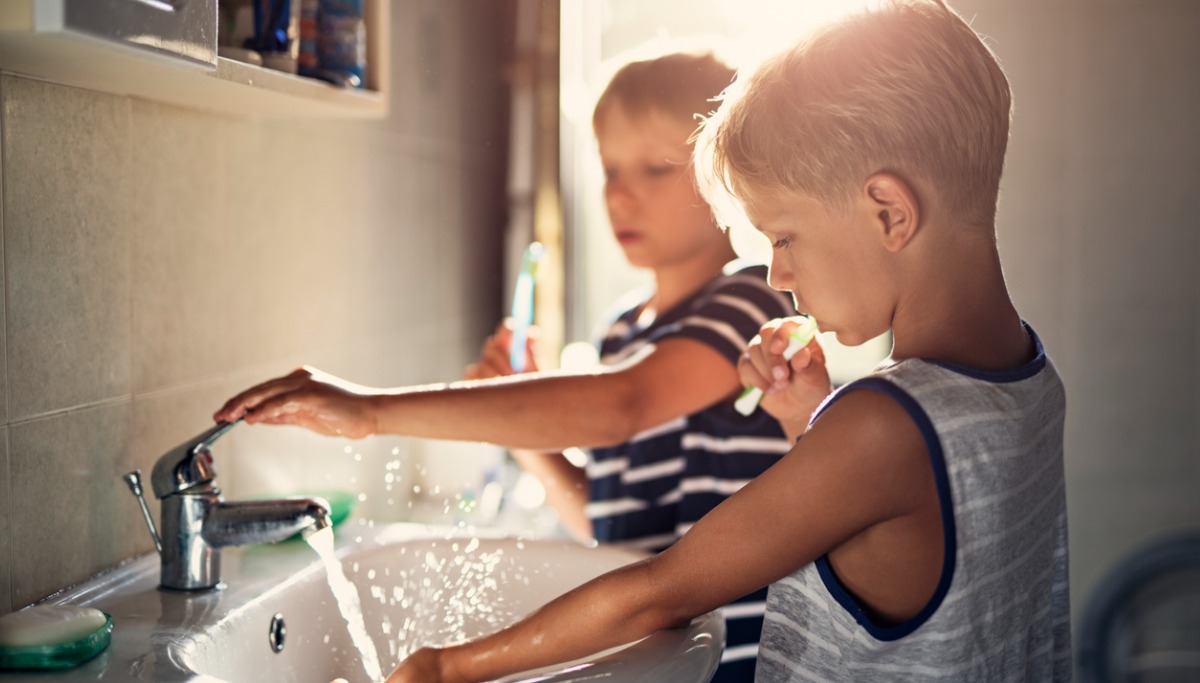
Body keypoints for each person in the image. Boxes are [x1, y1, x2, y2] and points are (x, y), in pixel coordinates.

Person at [375, 0, 1072, 680]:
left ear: (890, 212)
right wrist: (811, 421)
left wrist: (448, 665)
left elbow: (662, 591)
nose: (777, 272)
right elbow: (904, 539)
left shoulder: (884, 426)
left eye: (784, 236)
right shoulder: (1026, 379)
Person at [216, 48, 805, 681]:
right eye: (608, 170)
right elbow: (602, 517)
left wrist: (370, 411)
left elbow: (621, 406)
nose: (620, 193)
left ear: (720, 174)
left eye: (655, 168)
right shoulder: (623, 331)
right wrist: (524, 426)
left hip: (731, 663)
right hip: (658, 654)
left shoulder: (751, 299)